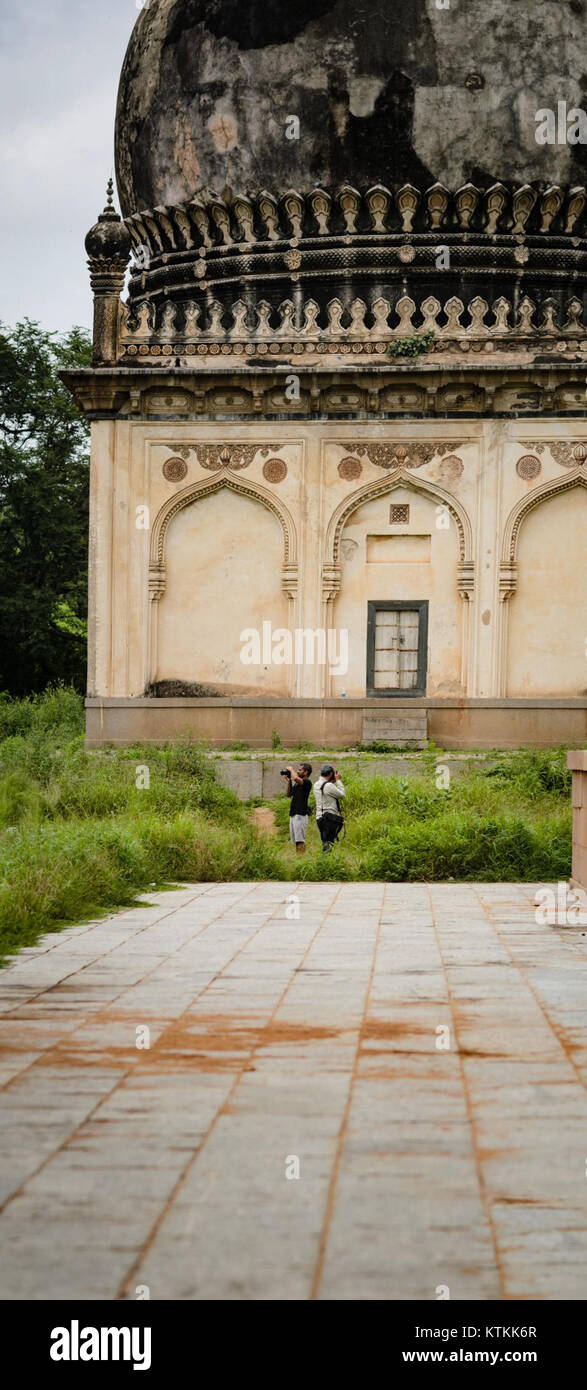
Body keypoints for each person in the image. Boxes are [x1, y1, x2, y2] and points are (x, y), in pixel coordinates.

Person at [314, 764, 345, 852]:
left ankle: (325, 861)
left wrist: (332, 781)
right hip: (329, 818)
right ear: (331, 774)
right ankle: (326, 861)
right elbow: (342, 795)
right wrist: (338, 781)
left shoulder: (316, 784)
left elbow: (327, 790)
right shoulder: (329, 786)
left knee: (325, 842)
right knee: (329, 844)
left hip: (319, 817)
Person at [285, 763, 313, 854]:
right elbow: (288, 794)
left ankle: (301, 860)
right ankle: (299, 859)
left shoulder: (307, 782)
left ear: (306, 772)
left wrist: (291, 769)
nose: (297, 771)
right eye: (297, 769)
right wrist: (289, 781)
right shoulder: (297, 784)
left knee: (300, 840)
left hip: (300, 814)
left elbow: (296, 778)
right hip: (294, 814)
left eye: (300, 770)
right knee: (296, 841)